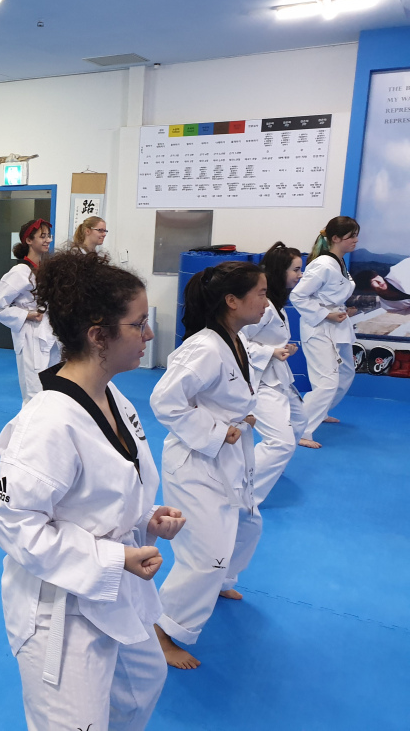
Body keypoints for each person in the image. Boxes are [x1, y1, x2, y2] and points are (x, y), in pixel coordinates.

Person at [0, 249, 184, 731]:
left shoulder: (112, 396)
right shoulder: (47, 423)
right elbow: (15, 527)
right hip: (60, 609)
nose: (148, 335)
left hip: (118, 591)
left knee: (141, 688)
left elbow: (107, 493)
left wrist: (145, 518)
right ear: (98, 335)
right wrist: (115, 557)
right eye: (138, 324)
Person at [150, 261, 266, 670]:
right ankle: (162, 629)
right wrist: (217, 431)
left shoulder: (234, 339)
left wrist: (240, 419)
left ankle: (220, 581)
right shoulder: (204, 347)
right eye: (261, 293)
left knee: (248, 525)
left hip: (228, 456)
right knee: (206, 553)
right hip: (195, 460)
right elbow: (164, 401)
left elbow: (230, 393)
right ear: (232, 301)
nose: (266, 301)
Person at [239, 243, 309, 496]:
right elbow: (237, 340)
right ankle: (243, 491)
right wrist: (270, 352)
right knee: (280, 442)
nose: (300, 274)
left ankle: (268, 469)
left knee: (300, 421)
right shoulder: (264, 306)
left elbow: (266, 339)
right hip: (259, 380)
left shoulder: (276, 304)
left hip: (278, 377)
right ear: (280, 271)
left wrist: (283, 349)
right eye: (296, 269)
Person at [289, 217, 360, 444]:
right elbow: (298, 295)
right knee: (327, 381)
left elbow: (331, 295)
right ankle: (301, 429)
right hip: (318, 327)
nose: (356, 240)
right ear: (336, 238)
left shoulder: (339, 262)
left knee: (346, 373)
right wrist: (326, 314)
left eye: (356, 235)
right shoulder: (322, 265)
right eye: (351, 236)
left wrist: (344, 310)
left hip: (337, 324)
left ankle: (320, 411)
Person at [0, 218, 61, 405]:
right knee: (34, 393)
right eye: (42, 236)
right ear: (29, 240)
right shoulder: (19, 272)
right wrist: (26, 314)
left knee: (53, 389)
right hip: (30, 335)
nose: (47, 240)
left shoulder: (45, 269)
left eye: (49, 236)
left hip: (50, 334)